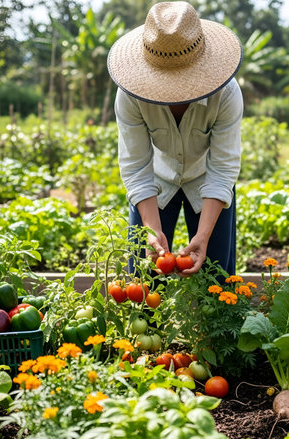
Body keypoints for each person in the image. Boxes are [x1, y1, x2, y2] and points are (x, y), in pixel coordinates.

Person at [107, 1, 243, 276]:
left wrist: (204, 236)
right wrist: (152, 231)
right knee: (143, 279)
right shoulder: (130, 96)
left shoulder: (226, 94)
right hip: (156, 180)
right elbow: (135, 166)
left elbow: (223, 169)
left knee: (218, 279)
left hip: (208, 180)